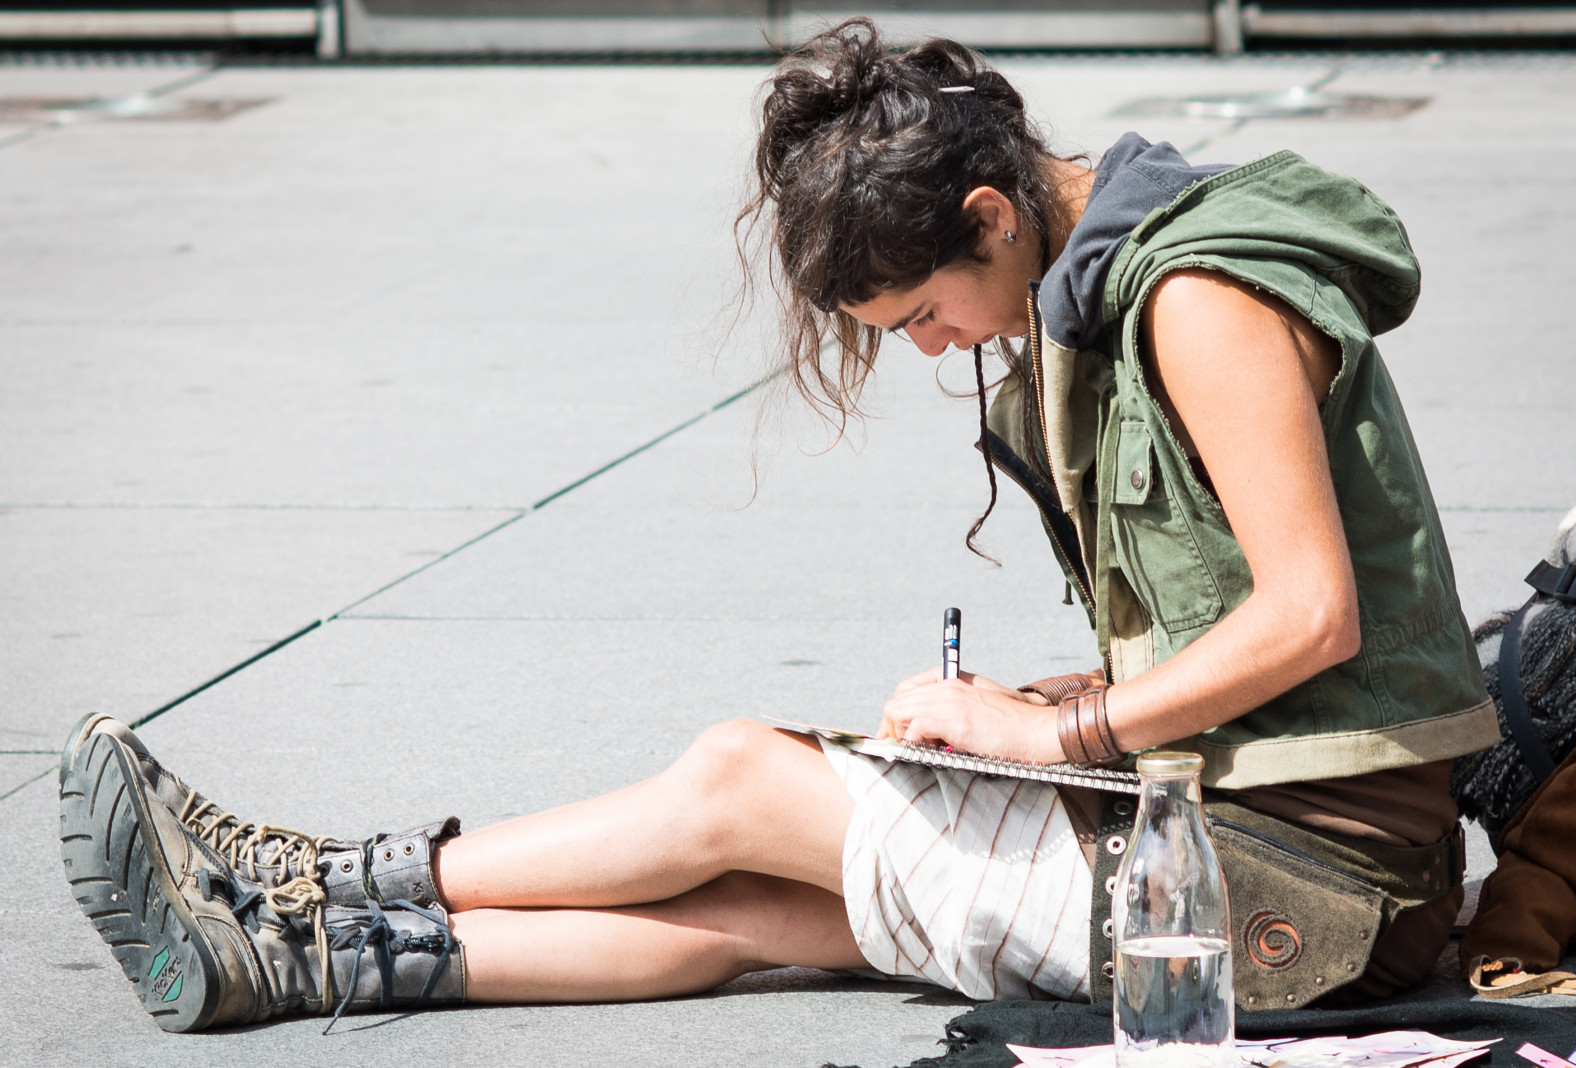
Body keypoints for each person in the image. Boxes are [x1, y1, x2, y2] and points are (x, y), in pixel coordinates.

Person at [60, 19, 1498, 1033]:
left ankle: (303, 878)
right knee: (762, 900)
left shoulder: (1195, 299)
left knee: (745, 780)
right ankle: (292, 960)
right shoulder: (1103, 296)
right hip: (1244, 840)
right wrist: (1078, 694)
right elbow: (1257, 618)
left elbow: (1314, 614)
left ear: (991, 213)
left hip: (1305, 897)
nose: (938, 350)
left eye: (925, 312)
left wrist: (1061, 736)